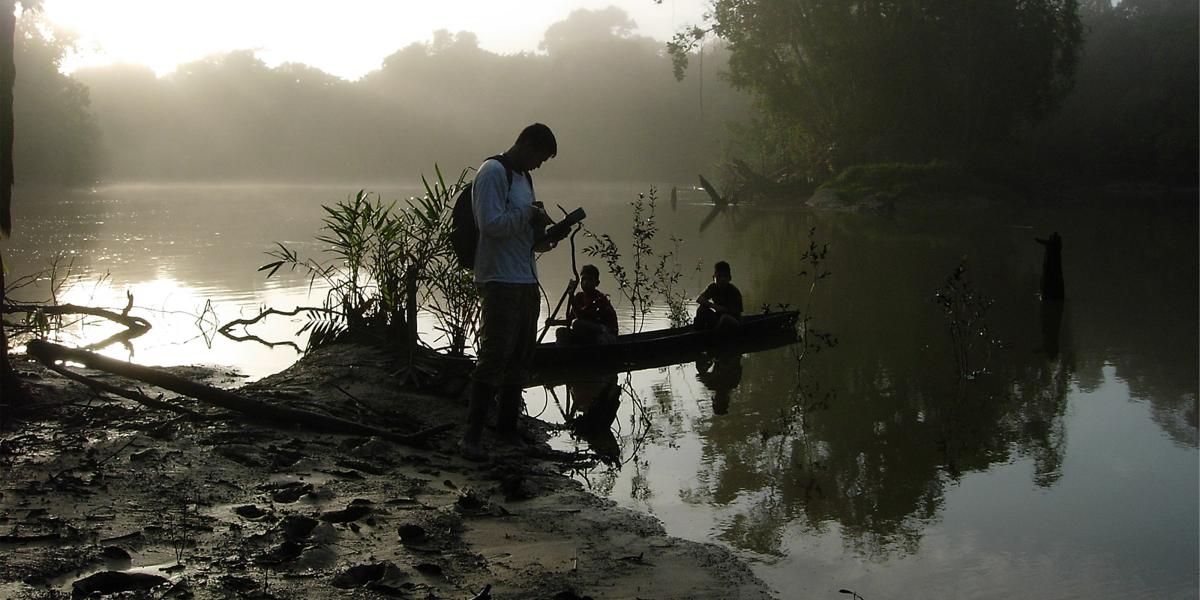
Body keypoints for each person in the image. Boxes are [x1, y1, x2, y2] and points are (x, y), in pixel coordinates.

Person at [461, 123, 563, 461]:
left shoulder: (524, 180)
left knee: (521, 358)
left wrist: (545, 235)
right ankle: (471, 438)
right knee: (494, 355)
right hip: (499, 279)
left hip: (526, 278)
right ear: (527, 145)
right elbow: (489, 224)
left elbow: (523, 235)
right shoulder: (493, 172)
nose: (539, 165)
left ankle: (506, 430)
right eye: (540, 157)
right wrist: (528, 214)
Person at [564, 264, 618, 344]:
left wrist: (571, 298)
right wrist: (554, 323)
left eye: (589, 279)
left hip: (606, 335)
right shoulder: (579, 297)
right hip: (591, 333)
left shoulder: (599, 299)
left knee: (577, 323)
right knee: (561, 332)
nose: (585, 282)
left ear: (597, 283)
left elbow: (581, 317)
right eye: (583, 279)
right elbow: (570, 320)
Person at [693, 260, 743, 330]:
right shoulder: (712, 287)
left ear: (730, 278)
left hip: (733, 321)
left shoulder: (734, 291)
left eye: (725, 276)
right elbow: (699, 299)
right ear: (714, 277)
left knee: (725, 318)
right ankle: (697, 332)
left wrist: (721, 310)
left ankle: (714, 334)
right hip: (719, 318)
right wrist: (714, 306)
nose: (722, 279)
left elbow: (735, 313)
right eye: (719, 276)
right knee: (701, 309)